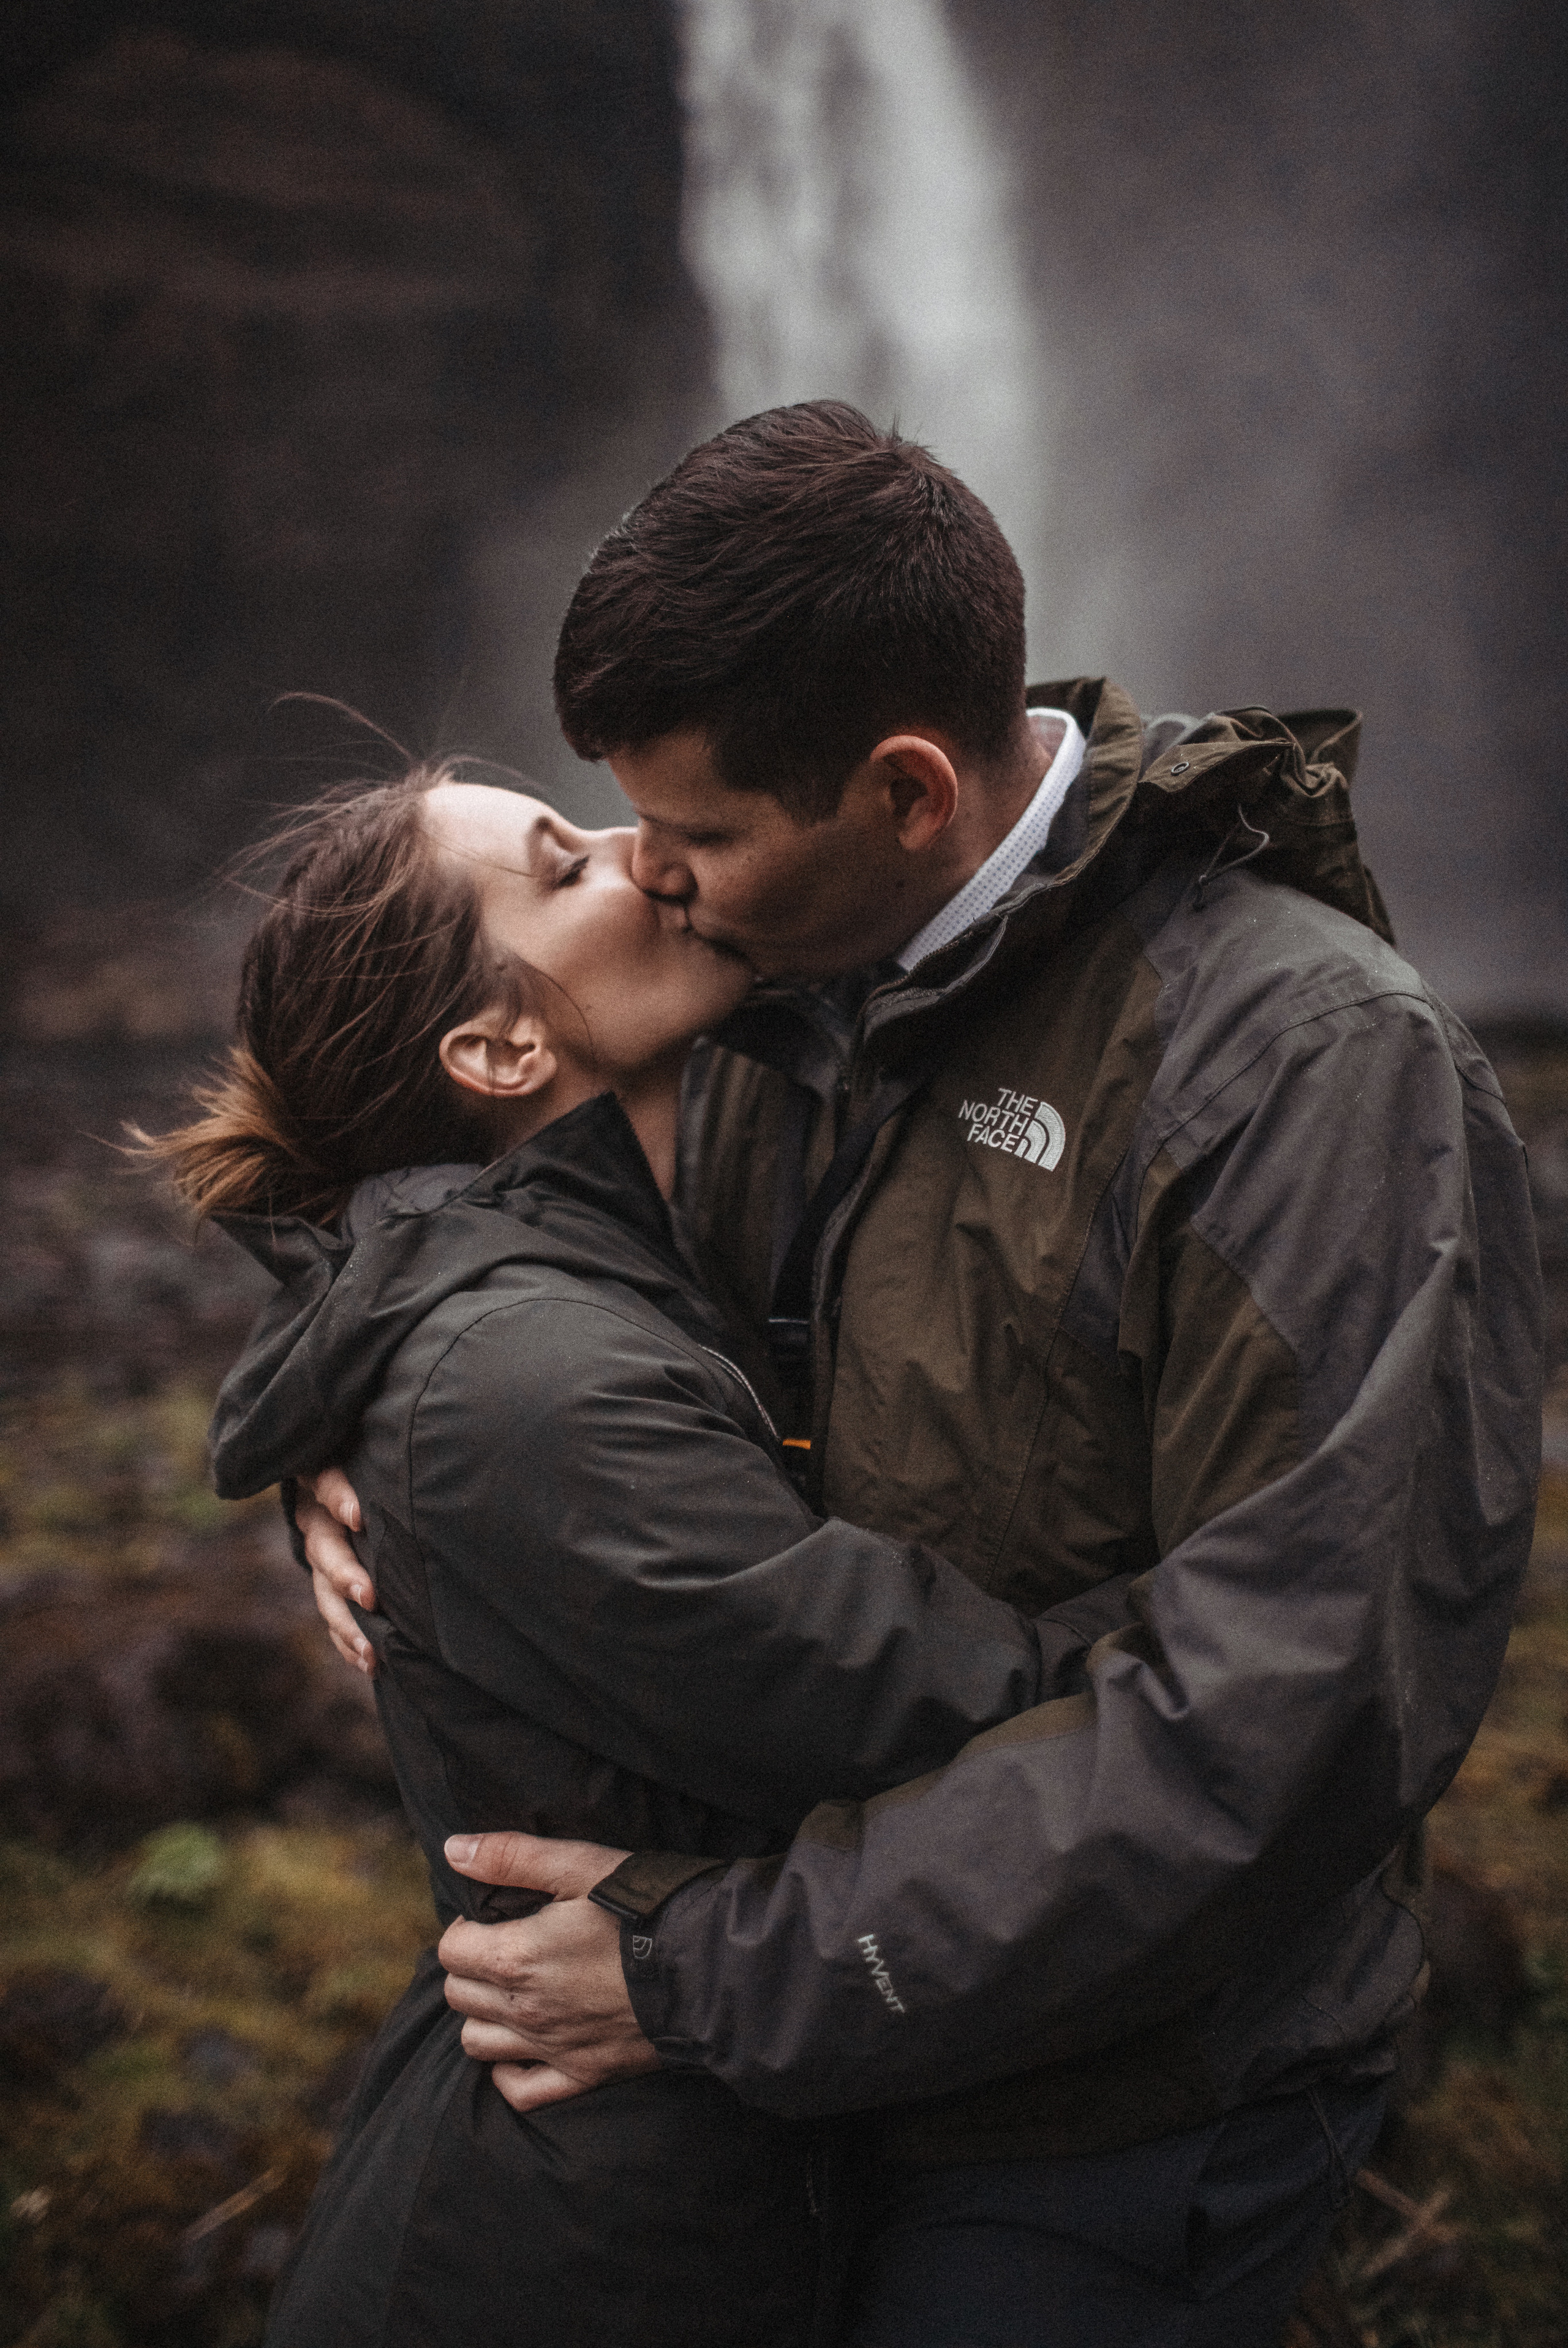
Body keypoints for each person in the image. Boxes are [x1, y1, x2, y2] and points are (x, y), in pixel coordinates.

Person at [300, 401, 1544, 2347]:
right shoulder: (761, 976)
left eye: (694, 831)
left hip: (1118, 2100)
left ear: (902, 792)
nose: (651, 874)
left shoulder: (1302, 1071)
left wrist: (712, 1976)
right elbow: (430, 1144)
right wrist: (352, 1424)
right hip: (812, 2059)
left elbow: (1287, 1727)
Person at [157, 764, 1113, 2346]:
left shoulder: (578, 1282)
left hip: (643, 2181)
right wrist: (1291, 1609)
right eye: (566, 860)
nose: (647, 852)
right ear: (498, 1046)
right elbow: (955, 1720)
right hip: (572, 2253)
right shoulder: (528, 1382)